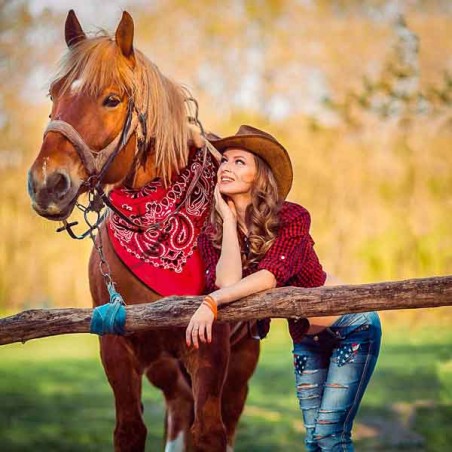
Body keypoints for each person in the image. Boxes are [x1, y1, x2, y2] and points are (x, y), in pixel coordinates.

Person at [186, 125, 381, 451]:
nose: (226, 168)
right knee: (313, 439)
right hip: (306, 340)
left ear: (259, 175)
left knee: (329, 436)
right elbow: (230, 282)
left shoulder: (292, 217)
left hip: (351, 328)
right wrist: (228, 220)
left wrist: (210, 303)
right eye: (224, 161)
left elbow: (268, 277)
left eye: (239, 162)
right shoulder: (214, 232)